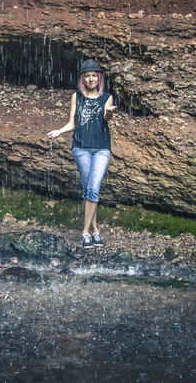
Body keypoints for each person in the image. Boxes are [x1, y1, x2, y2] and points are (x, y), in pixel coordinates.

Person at [48, 59, 118, 249]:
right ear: (82, 79)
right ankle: (95, 231)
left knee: (93, 188)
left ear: (99, 78)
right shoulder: (76, 97)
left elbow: (106, 117)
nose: (90, 78)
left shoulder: (107, 97)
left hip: (102, 148)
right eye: (87, 76)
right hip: (81, 148)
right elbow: (72, 123)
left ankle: (85, 232)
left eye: (94, 75)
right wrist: (59, 131)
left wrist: (110, 112)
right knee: (89, 190)